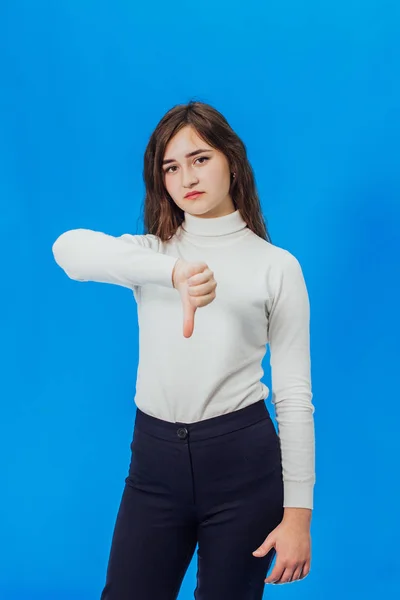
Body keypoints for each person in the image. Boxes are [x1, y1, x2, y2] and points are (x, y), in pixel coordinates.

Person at [52, 100, 316, 599]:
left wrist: (298, 515)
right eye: (171, 167)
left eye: (200, 159)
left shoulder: (277, 267)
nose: (186, 177)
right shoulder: (151, 254)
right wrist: (172, 273)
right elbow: (67, 250)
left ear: (231, 162)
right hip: (152, 464)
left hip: (243, 462)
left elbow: (295, 396)